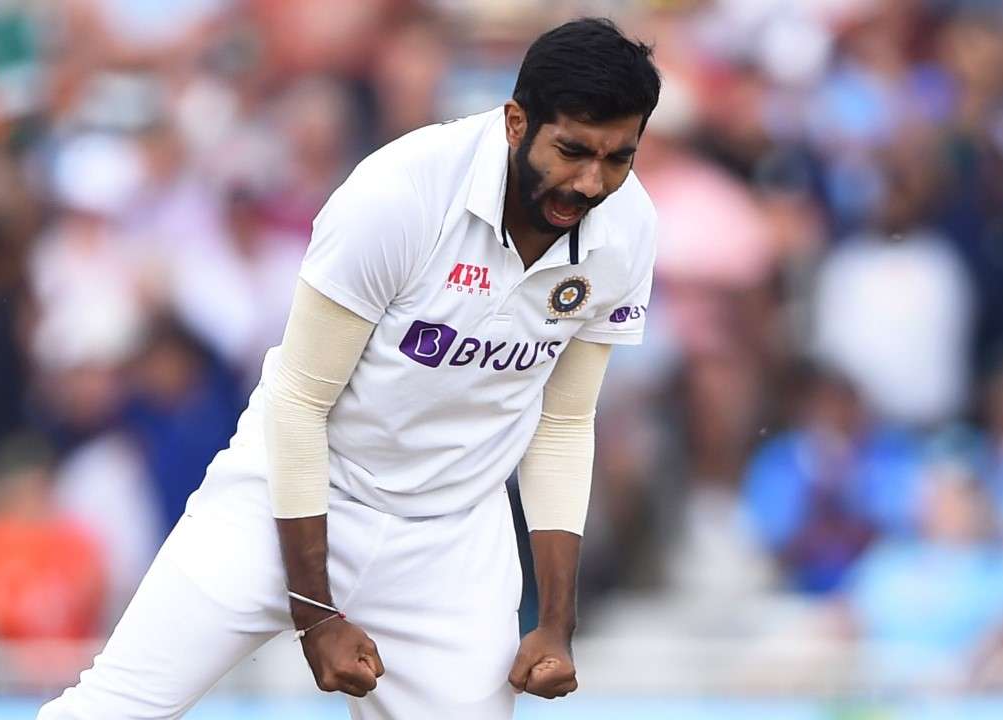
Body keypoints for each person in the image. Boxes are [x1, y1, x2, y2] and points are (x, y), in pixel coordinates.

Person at [38, 17, 660, 720]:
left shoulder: (627, 229)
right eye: (572, 151)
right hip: (288, 496)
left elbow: (564, 422)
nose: (590, 183)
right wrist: (316, 614)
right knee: (112, 709)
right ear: (516, 122)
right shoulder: (401, 192)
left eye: (618, 159)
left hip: (451, 538)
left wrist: (555, 621)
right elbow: (299, 403)